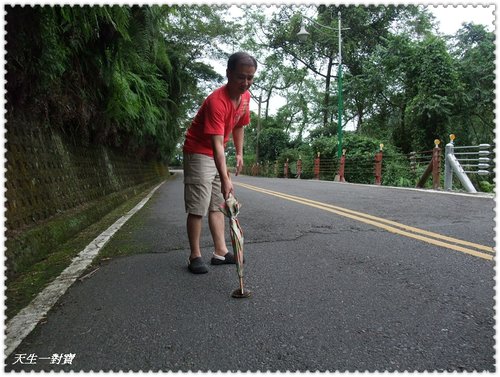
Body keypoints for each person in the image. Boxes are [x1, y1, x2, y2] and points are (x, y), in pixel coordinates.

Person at [182, 52, 257, 274]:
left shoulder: (245, 97)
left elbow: (239, 125)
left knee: (217, 204)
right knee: (198, 206)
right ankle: (194, 255)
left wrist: (240, 153)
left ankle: (220, 252)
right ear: (228, 74)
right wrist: (226, 178)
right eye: (241, 77)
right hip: (198, 151)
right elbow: (216, 146)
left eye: (250, 78)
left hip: (217, 151)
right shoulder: (216, 101)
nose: (245, 83)